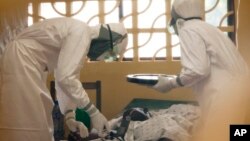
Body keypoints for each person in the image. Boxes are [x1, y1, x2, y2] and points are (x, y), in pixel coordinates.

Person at [0, 17, 128, 141]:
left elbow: (65, 78)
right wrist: (93, 112)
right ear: (108, 40)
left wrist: (69, 115)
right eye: (110, 55)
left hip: (28, 62)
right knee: (30, 123)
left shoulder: (80, 35)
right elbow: (65, 77)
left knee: (37, 119)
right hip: (23, 60)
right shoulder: (81, 31)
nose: (104, 59)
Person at [149, 0, 249, 140]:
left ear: (178, 21)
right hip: (241, 93)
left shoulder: (187, 29)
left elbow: (198, 69)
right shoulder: (210, 29)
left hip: (224, 97)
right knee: (236, 134)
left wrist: (171, 83)